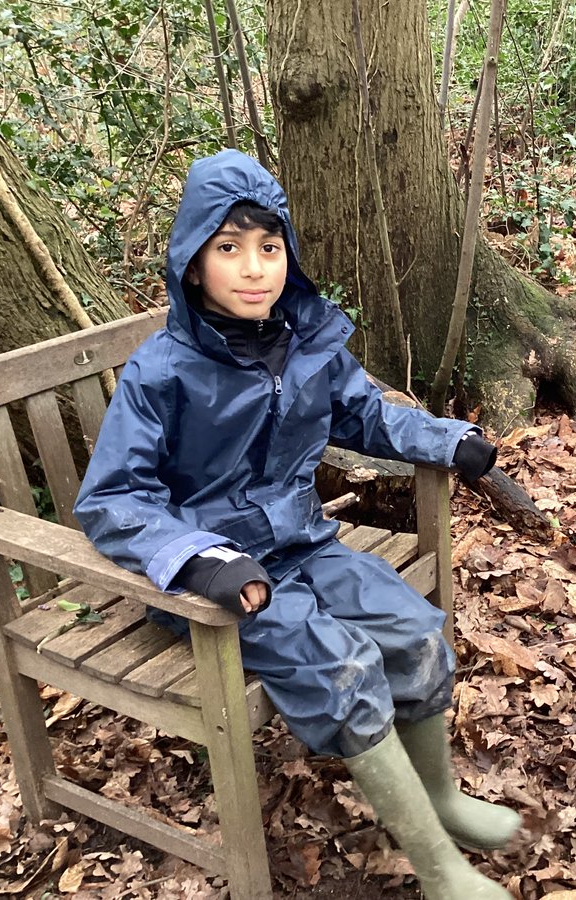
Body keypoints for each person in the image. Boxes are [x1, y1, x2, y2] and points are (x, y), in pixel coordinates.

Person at [74, 149, 518, 899]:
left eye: (269, 247)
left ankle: (440, 801)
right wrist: (200, 557)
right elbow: (113, 497)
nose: (254, 268)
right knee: (342, 667)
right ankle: (440, 870)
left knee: (414, 632)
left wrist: (448, 440)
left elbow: (367, 416)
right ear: (192, 265)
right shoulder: (162, 373)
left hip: (304, 544)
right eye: (228, 248)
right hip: (218, 581)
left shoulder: (305, 344)